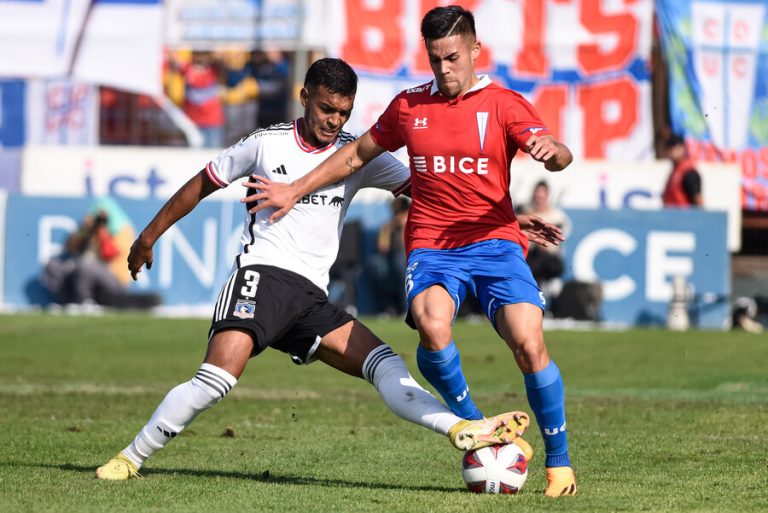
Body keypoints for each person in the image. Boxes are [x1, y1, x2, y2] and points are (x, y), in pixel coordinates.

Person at [95, 58, 558, 481]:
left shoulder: (356, 155)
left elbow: (436, 192)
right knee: (216, 381)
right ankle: (130, 458)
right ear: (304, 97)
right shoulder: (266, 143)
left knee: (385, 364)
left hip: (312, 300)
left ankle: (460, 429)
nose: (334, 120)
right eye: (326, 109)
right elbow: (202, 183)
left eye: (343, 112)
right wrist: (148, 236)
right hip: (263, 277)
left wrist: (505, 218)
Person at [246, 6, 576, 496]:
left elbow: (558, 152)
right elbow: (355, 155)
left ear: (475, 50)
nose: (444, 68)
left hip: (495, 241)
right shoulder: (408, 106)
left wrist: (554, 152)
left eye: (453, 57)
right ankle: (478, 428)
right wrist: (295, 189)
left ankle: (560, 466)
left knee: (529, 342)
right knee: (431, 324)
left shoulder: (505, 105)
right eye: (435, 58)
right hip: (433, 242)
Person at [42, 198, 161, 310]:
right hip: (83, 271)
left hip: (113, 278)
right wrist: (84, 230)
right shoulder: (87, 229)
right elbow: (70, 248)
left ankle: (82, 303)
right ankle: (64, 303)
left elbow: (109, 253)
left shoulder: (123, 229)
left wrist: (101, 231)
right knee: (52, 266)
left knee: (86, 265)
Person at [520, 180, 571, 303]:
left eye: (541, 197)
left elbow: (562, 235)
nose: (539, 199)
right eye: (537, 196)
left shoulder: (557, 216)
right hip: (530, 257)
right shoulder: (525, 215)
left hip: (550, 258)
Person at [662, 134, 703, 208]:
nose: (672, 152)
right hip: (671, 214)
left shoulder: (689, 173)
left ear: (683, 149)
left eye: (675, 149)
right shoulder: (674, 172)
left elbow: (698, 201)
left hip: (684, 214)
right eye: (670, 149)